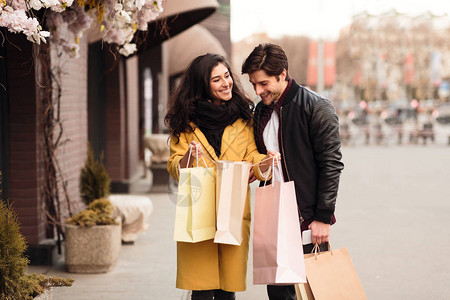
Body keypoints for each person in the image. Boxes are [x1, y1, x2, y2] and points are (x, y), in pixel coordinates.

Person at [165, 53, 279, 300]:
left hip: (233, 209)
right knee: (202, 290)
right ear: (202, 86)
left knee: (227, 290)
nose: (226, 83)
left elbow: (252, 156)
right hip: (199, 210)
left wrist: (266, 163)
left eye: (227, 76)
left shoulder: (243, 118)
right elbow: (174, 164)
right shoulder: (185, 123)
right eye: (216, 80)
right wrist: (187, 160)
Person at [242, 43, 344, 300]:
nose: (258, 90)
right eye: (254, 84)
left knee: (314, 291)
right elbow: (263, 158)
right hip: (273, 214)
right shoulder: (260, 110)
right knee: (278, 293)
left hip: (306, 216)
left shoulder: (316, 107)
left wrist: (322, 216)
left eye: (263, 83)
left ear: (282, 74)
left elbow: (331, 164)